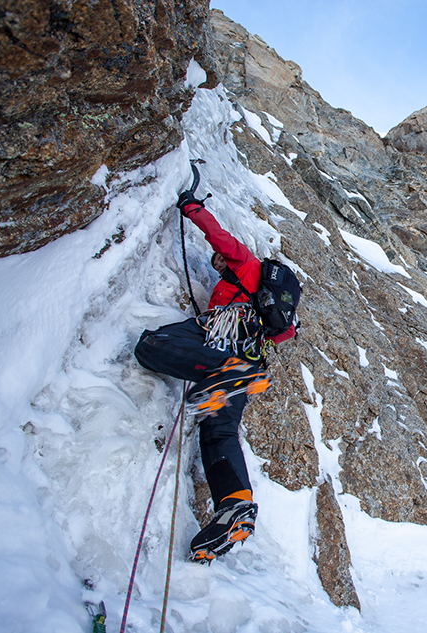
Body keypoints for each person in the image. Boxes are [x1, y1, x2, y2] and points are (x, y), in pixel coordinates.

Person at [134, 191, 296, 563]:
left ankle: (225, 373)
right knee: (219, 431)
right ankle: (234, 507)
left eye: (219, 261)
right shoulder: (257, 294)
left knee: (149, 345)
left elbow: (219, 236)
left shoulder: (246, 265)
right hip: (245, 358)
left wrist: (192, 207)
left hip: (223, 346)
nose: (218, 261)